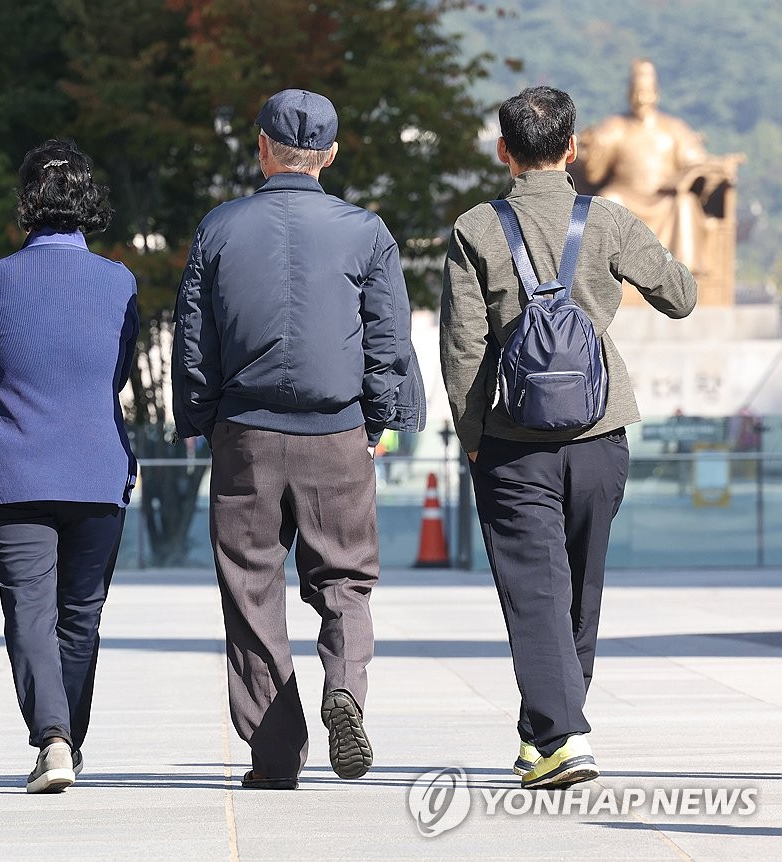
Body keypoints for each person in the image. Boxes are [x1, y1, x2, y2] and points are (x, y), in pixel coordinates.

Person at [440, 86, 697, 789]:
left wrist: (471, 437)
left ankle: (560, 736)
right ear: (573, 148)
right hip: (601, 430)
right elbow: (681, 294)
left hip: (514, 437)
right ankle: (545, 734)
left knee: (534, 592)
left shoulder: (476, 229)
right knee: (578, 591)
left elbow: (463, 348)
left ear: (504, 150)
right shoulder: (607, 219)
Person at [172, 89, 425, 790]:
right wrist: (378, 421)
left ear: (261, 147)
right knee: (343, 580)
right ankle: (343, 686)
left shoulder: (218, 229)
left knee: (252, 590)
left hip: (246, 433)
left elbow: (195, 341)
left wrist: (197, 420)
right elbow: (387, 341)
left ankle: (276, 754)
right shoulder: (366, 232)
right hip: (337, 432)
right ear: (331, 154)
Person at [0, 139, 138, 794]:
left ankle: (54, 739)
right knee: (81, 614)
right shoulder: (119, 282)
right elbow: (116, 374)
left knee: (30, 612)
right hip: (97, 469)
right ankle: (67, 742)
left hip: (18, 472)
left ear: (26, 201)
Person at [576, 59, 740, 279]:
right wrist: (592, 146)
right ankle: (609, 268)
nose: (642, 98)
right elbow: (594, 169)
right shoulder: (615, 126)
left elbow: (697, 161)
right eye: (637, 92)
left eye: (647, 92)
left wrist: (717, 166)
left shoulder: (674, 128)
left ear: (656, 93)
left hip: (666, 200)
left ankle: (683, 276)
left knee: (685, 203)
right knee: (608, 200)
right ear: (629, 93)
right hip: (625, 196)